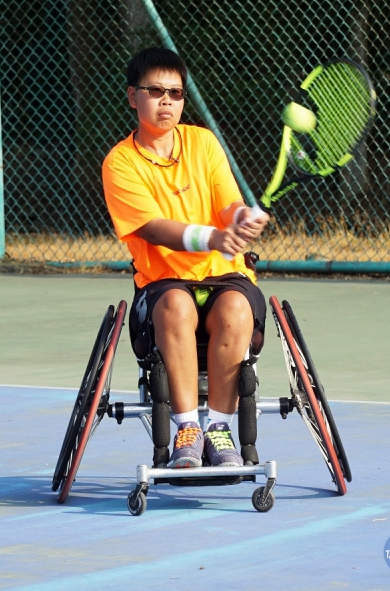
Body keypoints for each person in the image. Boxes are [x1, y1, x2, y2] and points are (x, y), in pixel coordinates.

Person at [102, 47, 269, 469]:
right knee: (176, 305)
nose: (166, 101)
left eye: (175, 93)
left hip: (224, 279)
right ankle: (186, 430)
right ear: (132, 96)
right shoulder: (119, 163)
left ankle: (219, 427)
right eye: (155, 90)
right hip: (162, 286)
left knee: (234, 308)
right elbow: (154, 229)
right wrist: (213, 237)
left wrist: (241, 217)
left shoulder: (203, 142)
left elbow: (228, 203)